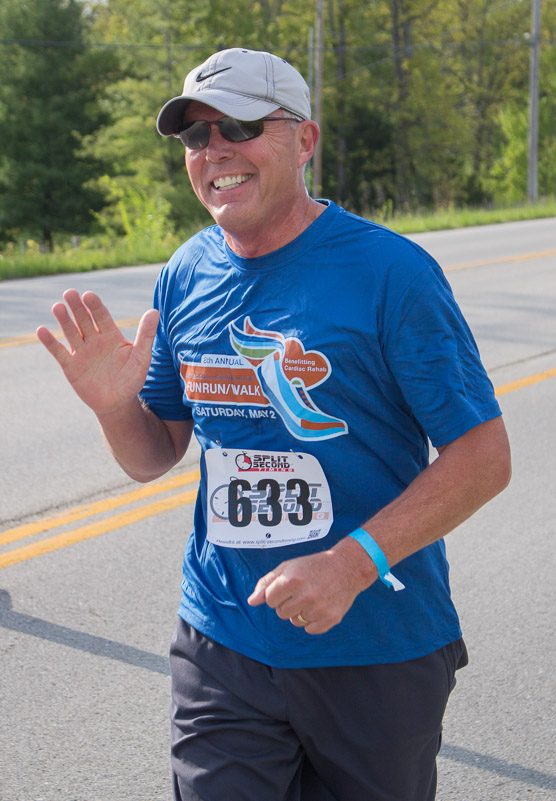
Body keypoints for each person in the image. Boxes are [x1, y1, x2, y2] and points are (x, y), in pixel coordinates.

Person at [37, 47, 511, 801]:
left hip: (374, 644)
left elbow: (484, 456)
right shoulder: (186, 273)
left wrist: (350, 564)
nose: (215, 150)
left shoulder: (393, 274)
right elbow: (152, 455)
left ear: (304, 140)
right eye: (195, 136)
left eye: (240, 126)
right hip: (223, 638)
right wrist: (113, 406)